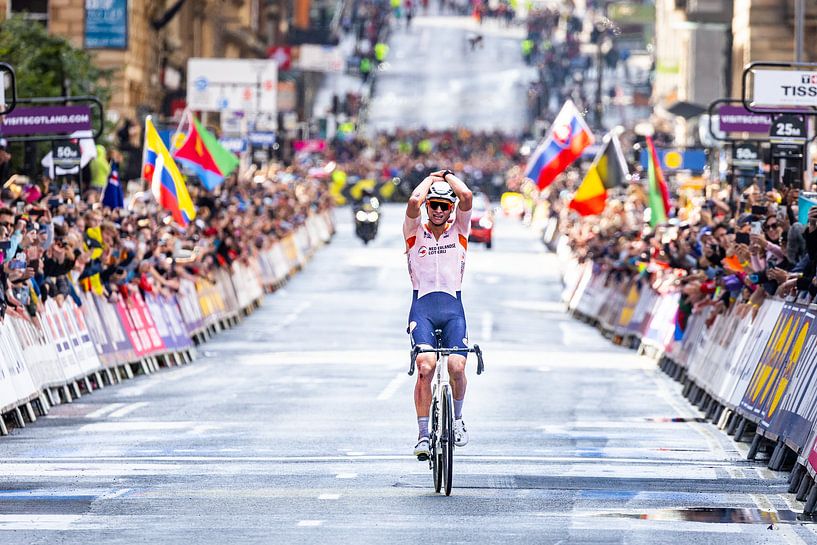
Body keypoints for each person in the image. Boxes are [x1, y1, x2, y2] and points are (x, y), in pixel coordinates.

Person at [403, 170, 473, 460]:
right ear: (427, 207)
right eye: (435, 205)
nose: (440, 210)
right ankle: (422, 434)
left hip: (452, 306)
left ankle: (457, 421)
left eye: (445, 206)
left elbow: (467, 196)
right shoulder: (413, 232)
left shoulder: (459, 230)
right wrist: (431, 181)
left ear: (451, 209)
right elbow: (412, 200)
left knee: (457, 366)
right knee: (425, 365)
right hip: (423, 306)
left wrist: (448, 176)